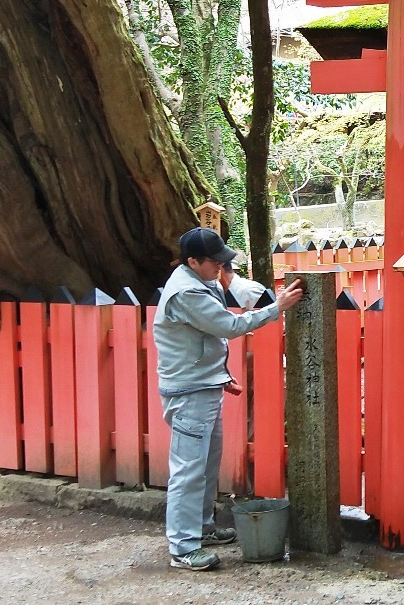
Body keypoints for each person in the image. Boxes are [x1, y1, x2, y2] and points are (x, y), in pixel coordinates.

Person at [155, 227, 303, 571]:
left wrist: (220, 376)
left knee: (206, 467)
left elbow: (200, 339)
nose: (221, 267)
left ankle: (202, 529)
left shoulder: (201, 280)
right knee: (189, 470)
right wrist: (277, 308)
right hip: (189, 393)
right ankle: (183, 547)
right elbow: (228, 326)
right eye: (215, 261)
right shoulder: (187, 291)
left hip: (202, 386)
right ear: (193, 261)